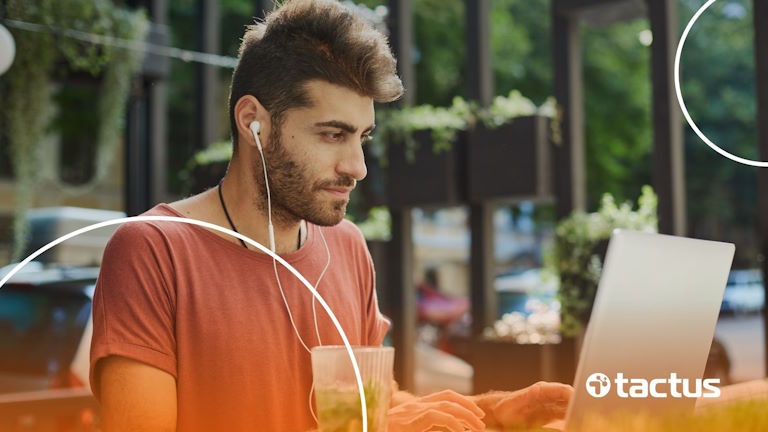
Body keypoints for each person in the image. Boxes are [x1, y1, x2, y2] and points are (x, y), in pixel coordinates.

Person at [90, 1, 572, 431]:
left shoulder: (348, 247)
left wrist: (488, 414)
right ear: (252, 120)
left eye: (362, 137)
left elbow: (368, 410)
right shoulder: (153, 250)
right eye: (332, 134)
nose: (357, 168)